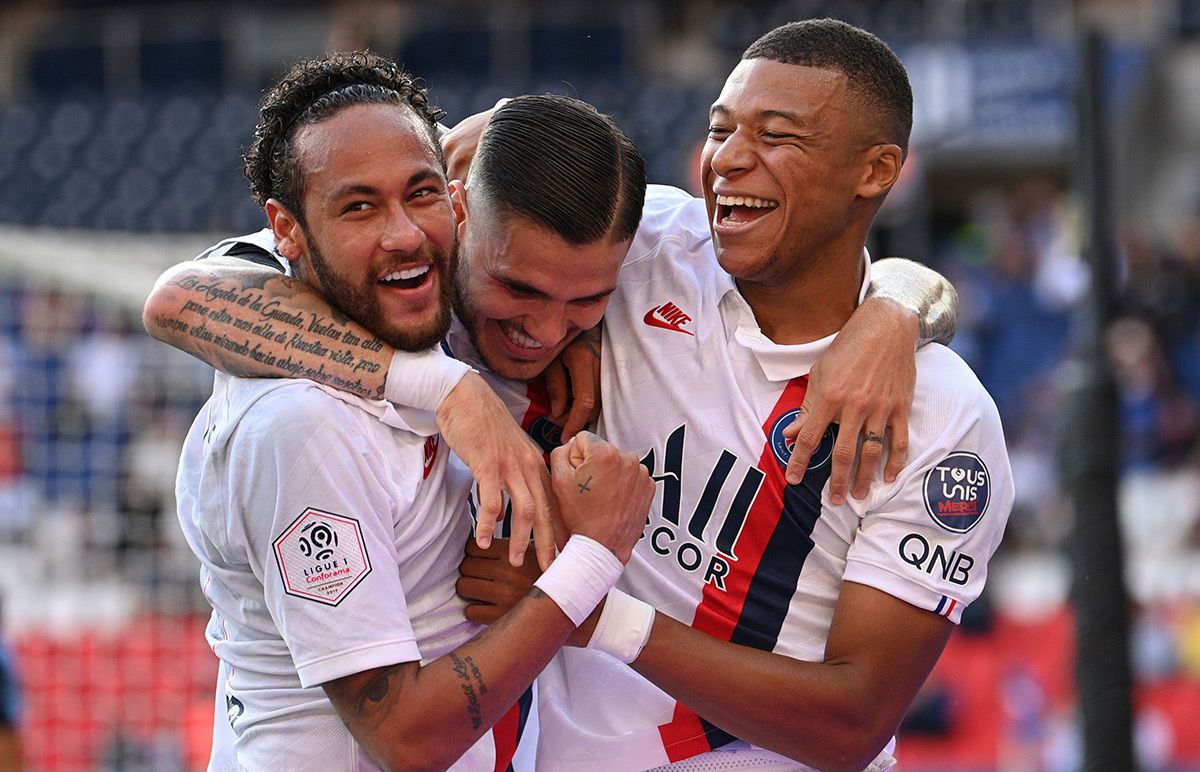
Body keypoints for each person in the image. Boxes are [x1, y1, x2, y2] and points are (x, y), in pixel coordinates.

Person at [144, 47, 963, 772]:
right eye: (518, 290)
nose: (540, 329)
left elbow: (839, 267)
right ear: (467, 213)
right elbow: (179, 300)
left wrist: (895, 306)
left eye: (586, 303)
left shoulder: (638, 244)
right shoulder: (310, 386)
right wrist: (455, 394)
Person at [461, 19, 1014, 771]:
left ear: (876, 169)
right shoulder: (648, 238)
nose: (727, 160)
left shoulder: (943, 419)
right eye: (720, 129)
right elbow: (441, 165)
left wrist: (586, 606)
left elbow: (852, 722)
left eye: (777, 136)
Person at [165, 51, 655, 771]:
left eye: (419, 193)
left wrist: (891, 303)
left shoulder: (428, 314)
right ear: (289, 230)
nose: (401, 233)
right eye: (358, 207)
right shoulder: (304, 425)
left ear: (455, 197)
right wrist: (590, 559)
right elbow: (405, 736)